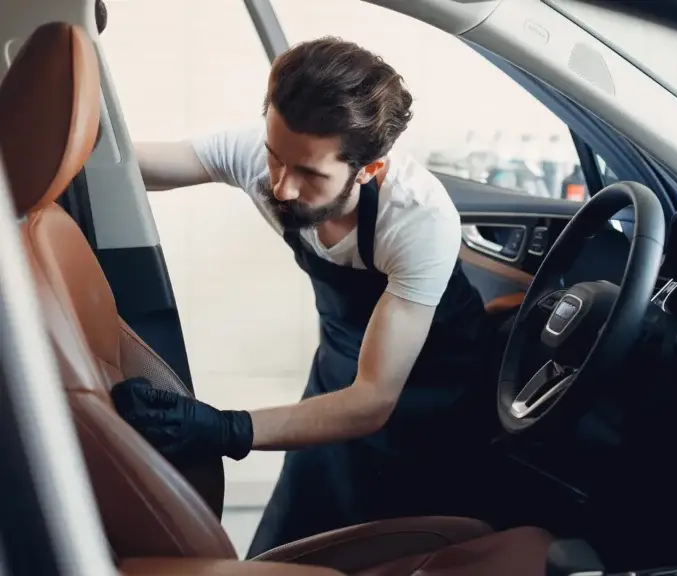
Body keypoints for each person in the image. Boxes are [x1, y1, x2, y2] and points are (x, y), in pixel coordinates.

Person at [112, 37, 493, 557]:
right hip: (341, 367)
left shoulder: (416, 219)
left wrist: (227, 429)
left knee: (397, 549)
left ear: (369, 169)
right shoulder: (263, 153)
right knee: (291, 540)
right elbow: (129, 165)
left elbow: (372, 401)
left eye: (310, 174)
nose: (282, 188)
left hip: (433, 394)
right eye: (275, 158)